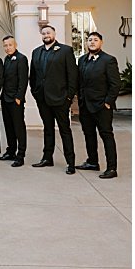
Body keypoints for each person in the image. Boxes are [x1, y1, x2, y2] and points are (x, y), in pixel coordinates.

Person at [29, 23, 78, 171]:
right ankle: (47, 158)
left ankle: (70, 162)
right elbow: (34, 75)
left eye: (48, 33)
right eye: (43, 34)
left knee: (65, 130)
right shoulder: (36, 52)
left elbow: (72, 76)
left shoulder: (65, 51)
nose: (46, 36)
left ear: (54, 34)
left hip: (60, 99)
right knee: (48, 129)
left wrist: (69, 97)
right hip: (43, 99)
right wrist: (35, 93)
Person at [76, 30, 120, 178]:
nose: (92, 42)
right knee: (89, 134)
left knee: (106, 135)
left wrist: (108, 102)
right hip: (85, 105)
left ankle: (112, 168)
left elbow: (115, 84)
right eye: (89, 40)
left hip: (102, 106)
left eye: (95, 40)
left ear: (101, 42)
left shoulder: (108, 60)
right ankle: (92, 161)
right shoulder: (82, 60)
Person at [0, 36, 29, 166]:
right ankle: (10, 151)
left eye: (10, 45)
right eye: (5, 45)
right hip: (5, 99)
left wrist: (18, 98)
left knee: (18, 127)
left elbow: (23, 81)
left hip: (15, 100)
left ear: (15, 45)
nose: (7, 48)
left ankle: (20, 154)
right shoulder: (6, 59)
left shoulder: (21, 59)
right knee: (8, 126)